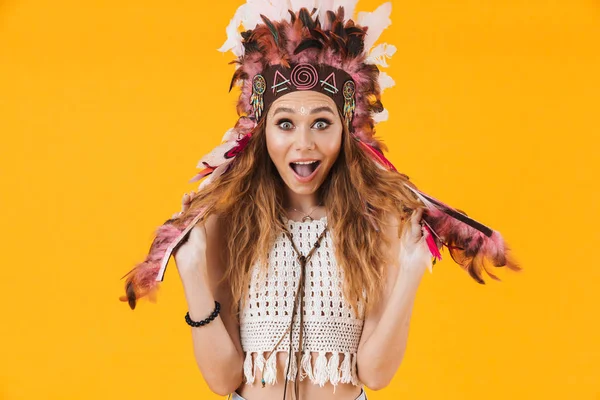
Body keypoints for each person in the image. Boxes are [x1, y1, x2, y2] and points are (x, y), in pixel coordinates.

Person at [119, 2, 518, 399]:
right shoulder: (230, 225)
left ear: (347, 131)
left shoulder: (376, 224)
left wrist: (412, 270)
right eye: (285, 123)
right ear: (261, 133)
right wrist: (191, 268)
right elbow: (223, 380)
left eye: (322, 123)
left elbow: (375, 375)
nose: (304, 143)